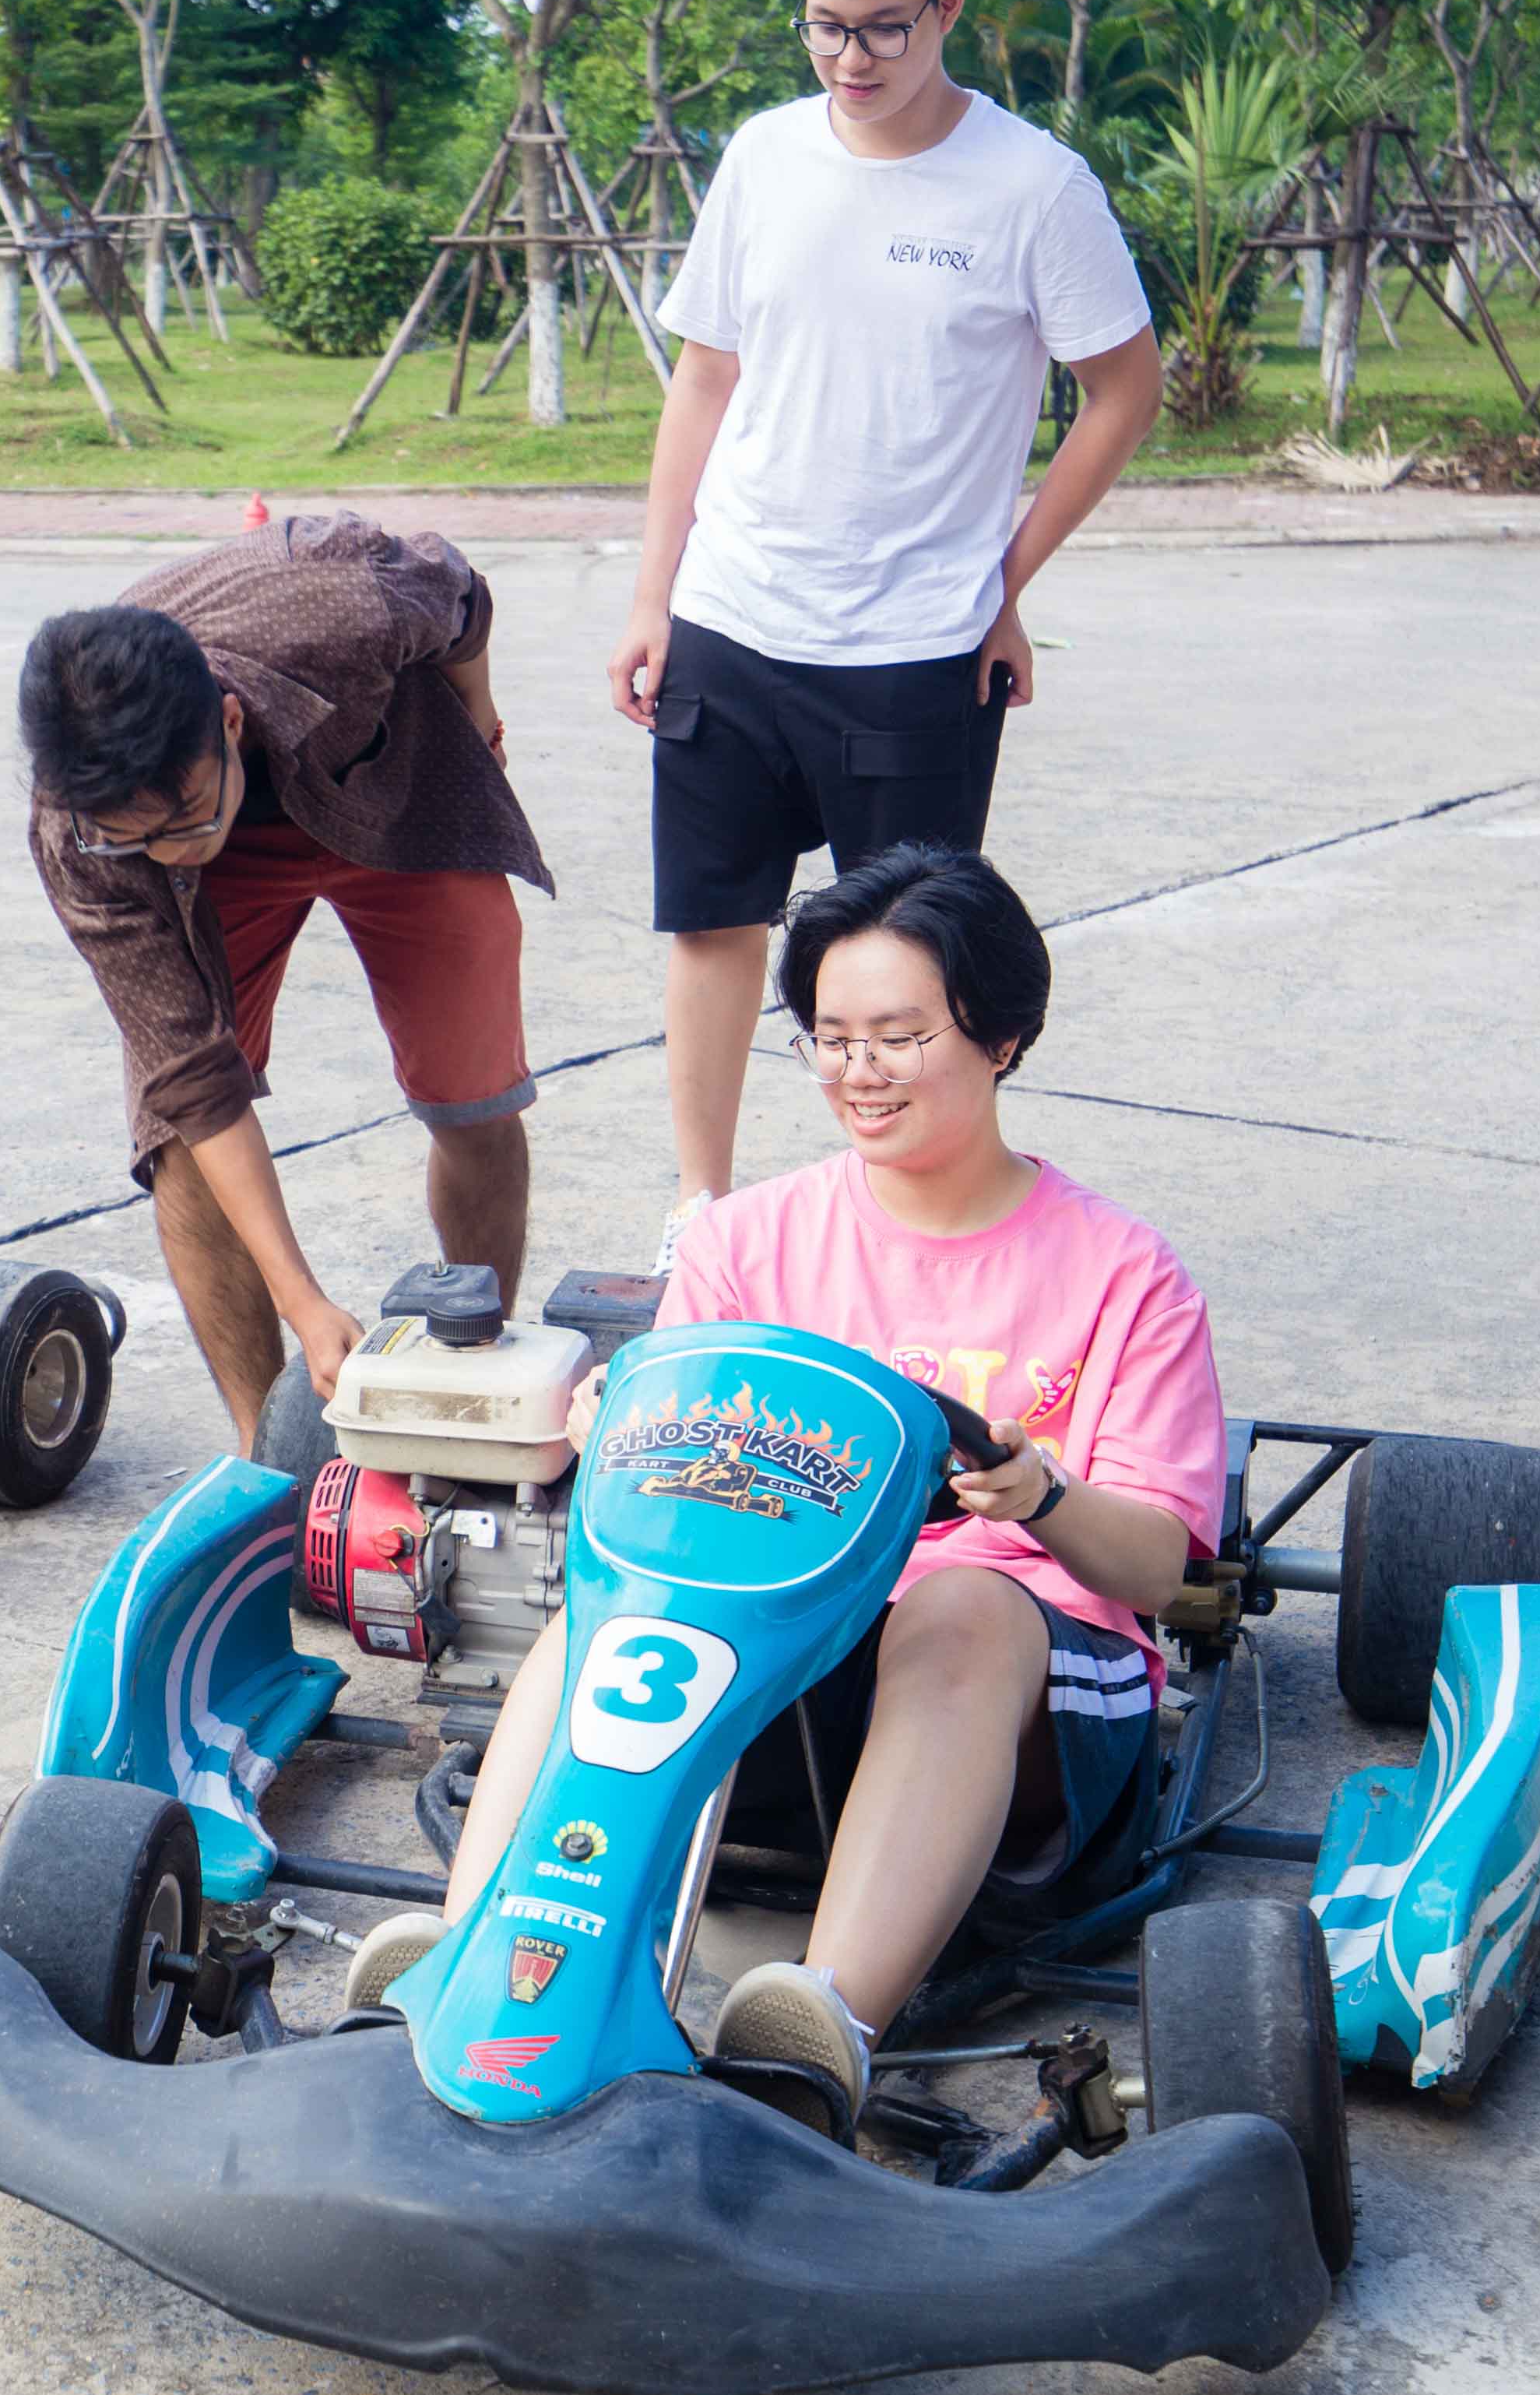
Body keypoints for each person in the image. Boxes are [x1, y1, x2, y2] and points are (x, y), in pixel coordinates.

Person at [343, 845, 1225, 2138]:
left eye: (899, 1035)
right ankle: (467, 1960)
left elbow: (1157, 1570)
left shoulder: (1122, 1273)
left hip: (1025, 1688)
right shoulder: (743, 1240)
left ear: (1003, 1033)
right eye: (831, 1037)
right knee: (608, 1611)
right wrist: (610, 1432)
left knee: (958, 1603)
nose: (858, 1070)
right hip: (761, 1656)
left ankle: (816, 2036)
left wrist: (1034, 1493)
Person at [603, 0, 1166, 1267]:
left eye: (882, 30)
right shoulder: (767, 156)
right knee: (714, 923)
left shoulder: (1034, 187)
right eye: (822, 29)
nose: (849, 60)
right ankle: (705, 1211)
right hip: (733, 617)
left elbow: (1123, 388)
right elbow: (706, 377)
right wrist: (650, 597)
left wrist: (1005, 583)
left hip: (914, 648)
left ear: (946, 8)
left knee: (912, 971)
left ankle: (911, 1226)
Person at [18, 516, 550, 1443]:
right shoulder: (89, 841)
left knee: (476, 1100)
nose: (167, 847)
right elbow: (194, 1075)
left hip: (399, 794)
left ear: (227, 722)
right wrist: (303, 1302)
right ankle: (265, 1450)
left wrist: (480, 722)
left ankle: (481, 1385)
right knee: (178, 1138)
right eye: (132, 833)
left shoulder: (339, 602)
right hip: (217, 893)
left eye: (181, 815)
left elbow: (464, 601)